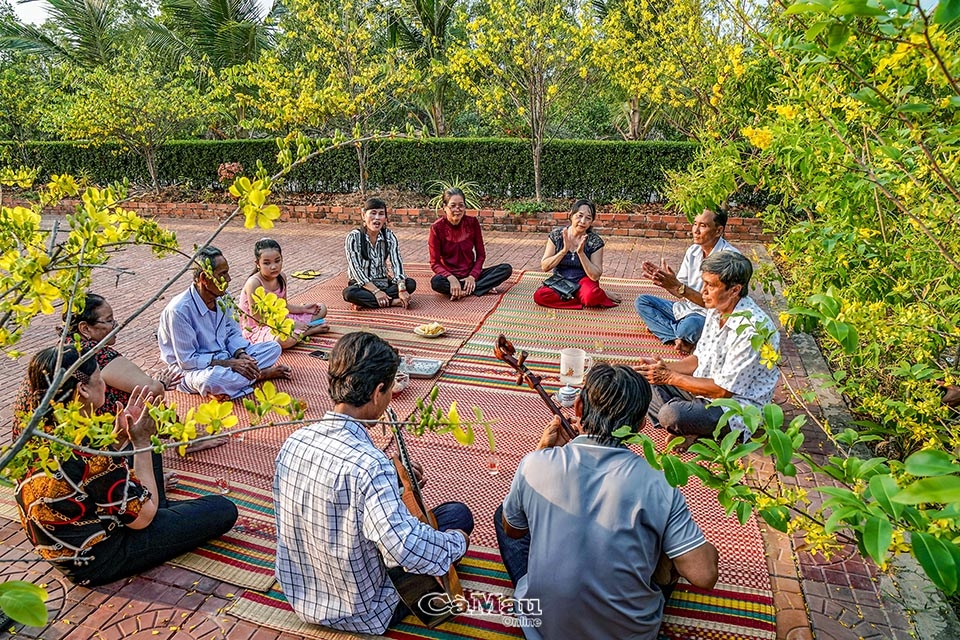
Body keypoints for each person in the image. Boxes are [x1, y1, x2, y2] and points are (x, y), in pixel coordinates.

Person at [495, 363, 719, 639]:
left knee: (505, 515)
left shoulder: (534, 464)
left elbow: (513, 530)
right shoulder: (659, 482)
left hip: (545, 628)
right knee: (663, 551)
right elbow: (704, 575)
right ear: (639, 426)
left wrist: (543, 452)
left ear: (578, 408)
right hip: (631, 633)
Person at [274, 332, 473, 634]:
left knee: (436, 519)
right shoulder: (370, 465)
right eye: (391, 387)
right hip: (361, 609)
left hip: (303, 596)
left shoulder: (293, 441)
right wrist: (456, 544)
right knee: (458, 518)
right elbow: (404, 549)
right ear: (378, 391)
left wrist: (393, 477)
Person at [14, 345, 238, 586]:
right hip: (96, 559)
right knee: (222, 509)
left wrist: (121, 438)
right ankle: (156, 509)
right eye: (100, 379)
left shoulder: (35, 426)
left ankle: (153, 506)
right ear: (83, 389)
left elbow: (89, 476)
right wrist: (140, 441)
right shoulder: (85, 449)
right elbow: (143, 519)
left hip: (76, 534)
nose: (105, 386)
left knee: (144, 446)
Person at [636, 252, 780, 449]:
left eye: (710, 286)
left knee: (671, 414)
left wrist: (669, 377)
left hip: (734, 408)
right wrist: (662, 368)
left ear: (734, 290)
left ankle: (689, 425)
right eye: (704, 283)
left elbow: (723, 391)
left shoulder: (752, 330)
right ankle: (691, 426)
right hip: (702, 391)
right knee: (643, 382)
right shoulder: (716, 310)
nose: (703, 291)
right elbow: (698, 359)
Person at [158, 246, 290, 400]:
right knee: (211, 380)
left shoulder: (223, 297)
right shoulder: (179, 311)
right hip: (194, 371)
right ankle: (259, 375)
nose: (228, 279)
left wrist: (241, 355)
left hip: (227, 356)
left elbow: (233, 332)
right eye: (222, 274)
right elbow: (187, 361)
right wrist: (230, 364)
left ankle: (235, 383)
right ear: (204, 279)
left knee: (273, 348)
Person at [635, 209, 739, 355]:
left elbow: (714, 304)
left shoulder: (729, 259)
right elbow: (680, 293)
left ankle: (669, 331)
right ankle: (679, 338)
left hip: (708, 315)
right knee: (642, 302)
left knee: (689, 327)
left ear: (718, 230)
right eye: (695, 224)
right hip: (686, 308)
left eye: (703, 226)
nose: (695, 230)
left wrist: (678, 286)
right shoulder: (693, 251)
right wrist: (666, 282)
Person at [239, 238, 329, 349]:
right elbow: (258, 320)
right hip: (261, 326)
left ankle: (299, 331)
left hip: (281, 318)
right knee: (281, 340)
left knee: (321, 308)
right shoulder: (254, 283)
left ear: (282, 259)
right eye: (267, 263)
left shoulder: (282, 277)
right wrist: (291, 323)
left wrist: (304, 309)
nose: (273, 266)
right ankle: (308, 332)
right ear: (257, 264)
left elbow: (284, 305)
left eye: (277, 261)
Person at [533, 199, 620, 309]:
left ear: (591, 221)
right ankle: (582, 298)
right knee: (540, 296)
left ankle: (579, 295)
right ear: (571, 216)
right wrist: (564, 251)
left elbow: (595, 275)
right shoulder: (557, 235)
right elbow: (545, 267)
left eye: (588, 218)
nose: (583, 221)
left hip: (584, 280)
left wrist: (581, 253)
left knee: (591, 296)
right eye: (579, 216)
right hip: (561, 280)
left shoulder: (595, 241)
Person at [428, 188, 513, 300]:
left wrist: (472, 276)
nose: (457, 209)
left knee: (506, 269)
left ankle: (466, 289)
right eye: (452, 205)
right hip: (449, 276)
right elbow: (435, 263)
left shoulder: (472, 223)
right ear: (444, 207)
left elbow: (481, 255)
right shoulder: (436, 228)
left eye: (461, 205)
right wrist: (451, 278)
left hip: (471, 274)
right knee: (436, 282)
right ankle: (478, 287)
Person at [342, 198, 416, 310]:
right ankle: (392, 302)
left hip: (384, 283)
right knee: (349, 294)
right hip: (363, 286)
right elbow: (355, 270)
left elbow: (397, 263)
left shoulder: (389, 236)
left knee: (410, 284)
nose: (377, 218)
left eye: (381, 214)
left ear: (385, 218)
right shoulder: (353, 237)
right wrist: (376, 292)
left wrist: (401, 289)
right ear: (363, 215)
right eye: (373, 213)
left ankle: (368, 302)